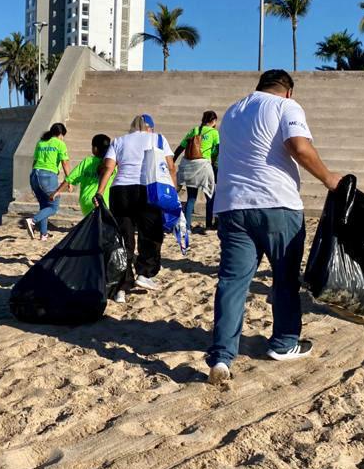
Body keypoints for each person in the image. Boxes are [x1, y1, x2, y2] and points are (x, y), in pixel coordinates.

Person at [206, 69, 341, 388]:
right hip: (276, 203)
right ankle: (283, 342)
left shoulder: (233, 111)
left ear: (260, 86)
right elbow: (299, 146)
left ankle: (222, 357)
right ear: (288, 91)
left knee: (232, 281)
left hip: (232, 206)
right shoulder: (285, 107)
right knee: (284, 276)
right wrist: (327, 178)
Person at [96, 114, 176, 302]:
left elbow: (108, 168)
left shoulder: (119, 141)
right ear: (149, 128)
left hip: (120, 191)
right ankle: (144, 274)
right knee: (151, 235)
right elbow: (171, 167)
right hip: (147, 189)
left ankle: (121, 289)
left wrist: (100, 192)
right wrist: (172, 193)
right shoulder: (158, 138)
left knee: (124, 240)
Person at [173, 110, 220, 232]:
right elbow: (219, 150)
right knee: (210, 196)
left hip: (189, 166)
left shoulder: (194, 130)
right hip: (204, 166)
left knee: (191, 198)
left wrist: (172, 160)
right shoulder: (214, 133)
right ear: (214, 121)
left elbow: (181, 147)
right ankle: (209, 224)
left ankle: (187, 227)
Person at [25, 122, 71, 240]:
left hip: (35, 175)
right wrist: (69, 180)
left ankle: (44, 234)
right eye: (63, 135)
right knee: (53, 207)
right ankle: (32, 221)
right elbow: (64, 162)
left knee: (44, 205)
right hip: (48, 176)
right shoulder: (60, 143)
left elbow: (35, 162)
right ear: (60, 134)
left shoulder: (41, 142)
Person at [51, 133, 114, 215]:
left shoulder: (87, 161)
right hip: (103, 202)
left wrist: (57, 191)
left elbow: (70, 178)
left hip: (86, 202)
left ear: (95, 148)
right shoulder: (111, 164)